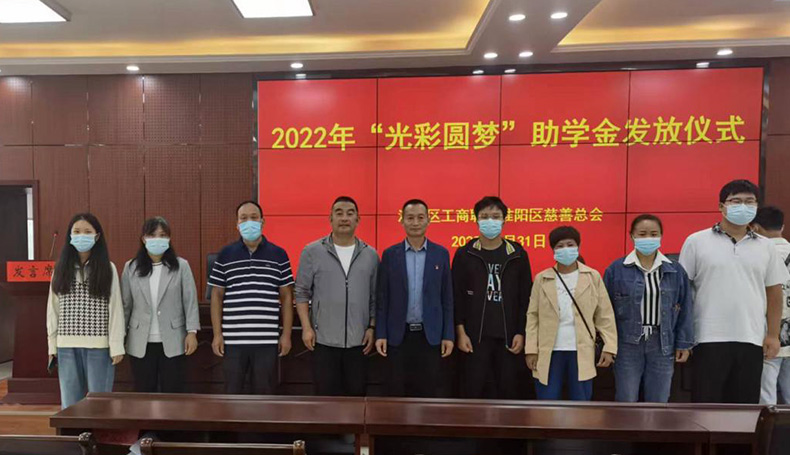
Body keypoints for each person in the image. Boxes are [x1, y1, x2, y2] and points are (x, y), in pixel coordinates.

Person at [679, 180, 790, 403]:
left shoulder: (766, 246)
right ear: (722, 206)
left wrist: (772, 335)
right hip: (706, 338)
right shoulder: (696, 241)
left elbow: (774, 293)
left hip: (751, 338)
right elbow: (682, 292)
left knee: (744, 409)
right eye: (736, 201)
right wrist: (683, 337)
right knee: (705, 408)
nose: (743, 206)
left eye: (750, 202)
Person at [603, 214, 694, 402]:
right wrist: (608, 344)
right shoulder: (616, 269)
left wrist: (684, 343)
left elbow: (685, 308)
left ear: (661, 236)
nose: (648, 238)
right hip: (627, 343)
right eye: (642, 234)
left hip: (662, 343)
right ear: (631, 236)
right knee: (626, 399)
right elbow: (605, 311)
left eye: (653, 234)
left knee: (658, 401)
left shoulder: (675, 270)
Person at [295, 196, 379, 396]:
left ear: (358, 219)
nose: (344, 218)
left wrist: (372, 327)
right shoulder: (312, 251)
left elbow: (375, 297)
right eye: (339, 213)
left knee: (356, 399)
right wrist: (306, 328)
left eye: (350, 213)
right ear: (330, 218)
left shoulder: (371, 255)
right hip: (323, 341)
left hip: (359, 343)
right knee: (326, 400)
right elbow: (301, 292)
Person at [209, 200, 294, 395]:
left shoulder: (279, 254)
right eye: (243, 218)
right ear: (237, 224)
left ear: (263, 222)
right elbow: (216, 296)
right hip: (233, 341)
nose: (249, 222)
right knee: (232, 393)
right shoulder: (225, 254)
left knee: (264, 394)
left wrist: (286, 335)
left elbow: (287, 297)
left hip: (267, 341)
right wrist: (217, 334)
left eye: (254, 218)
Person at [452, 196, 532, 399]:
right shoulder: (465, 253)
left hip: (509, 337)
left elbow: (525, 298)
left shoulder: (517, 254)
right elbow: (457, 297)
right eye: (485, 216)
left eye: (495, 216)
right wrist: (460, 333)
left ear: (504, 220)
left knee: (508, 394)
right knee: (473, 392)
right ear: (476, 220)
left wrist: (521, 332)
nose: (490, 221)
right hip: (474, 338)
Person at [526, 226, 617, 401]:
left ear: (578, 246)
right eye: (560, 246)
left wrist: (609, 347)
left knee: (580, 402)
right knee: (547, 401)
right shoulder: (542, 278)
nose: (566, 249)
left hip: (581, 350)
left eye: (570, 244)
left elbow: (604, 315)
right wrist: (531, 350)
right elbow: (533, 317)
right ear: (553, 250)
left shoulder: (592, 276)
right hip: (549, 350)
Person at [375, 199, 454, 397]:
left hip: (430, 336)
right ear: (402, 221)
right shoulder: (390, 255)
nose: (415, 222)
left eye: (420, 217)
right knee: (396, 392)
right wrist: (380, 334)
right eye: (410, 218)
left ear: (428, 220)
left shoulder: (441, 254)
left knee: (427, 394)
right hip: (398, 336)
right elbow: (383, 299)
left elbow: (447, 299)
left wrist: (448, 335)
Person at [46, 213, 125, 408]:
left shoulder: (108, 268)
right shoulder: (60, 269)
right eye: (77, 231)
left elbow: (115, 308)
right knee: (70, 405)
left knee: (100, 404)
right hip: (66, 346)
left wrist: (116, 345)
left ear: (97, 236)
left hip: (99, 346)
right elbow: (52, 310)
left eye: (87, 232)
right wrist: (52, 345)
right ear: (70, 236)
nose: (82, 236)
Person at [121, 217, 200, 393]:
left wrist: (192, 332)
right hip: (140, 341)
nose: (158, 239)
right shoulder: (131, 267)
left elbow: (190, 300)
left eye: (163, 235)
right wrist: (120, 336)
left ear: (169, 239)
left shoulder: (181, 266)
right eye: (152, 235)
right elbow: (126, 305)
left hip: (174, 340)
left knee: (173, 391)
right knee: (143, 392)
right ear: (143, 239)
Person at [751, 206, 790, 404]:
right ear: (782, 227)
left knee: (765, 398)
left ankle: (768, 426)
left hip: (766, 337)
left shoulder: (757, 256)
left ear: (755, 228)